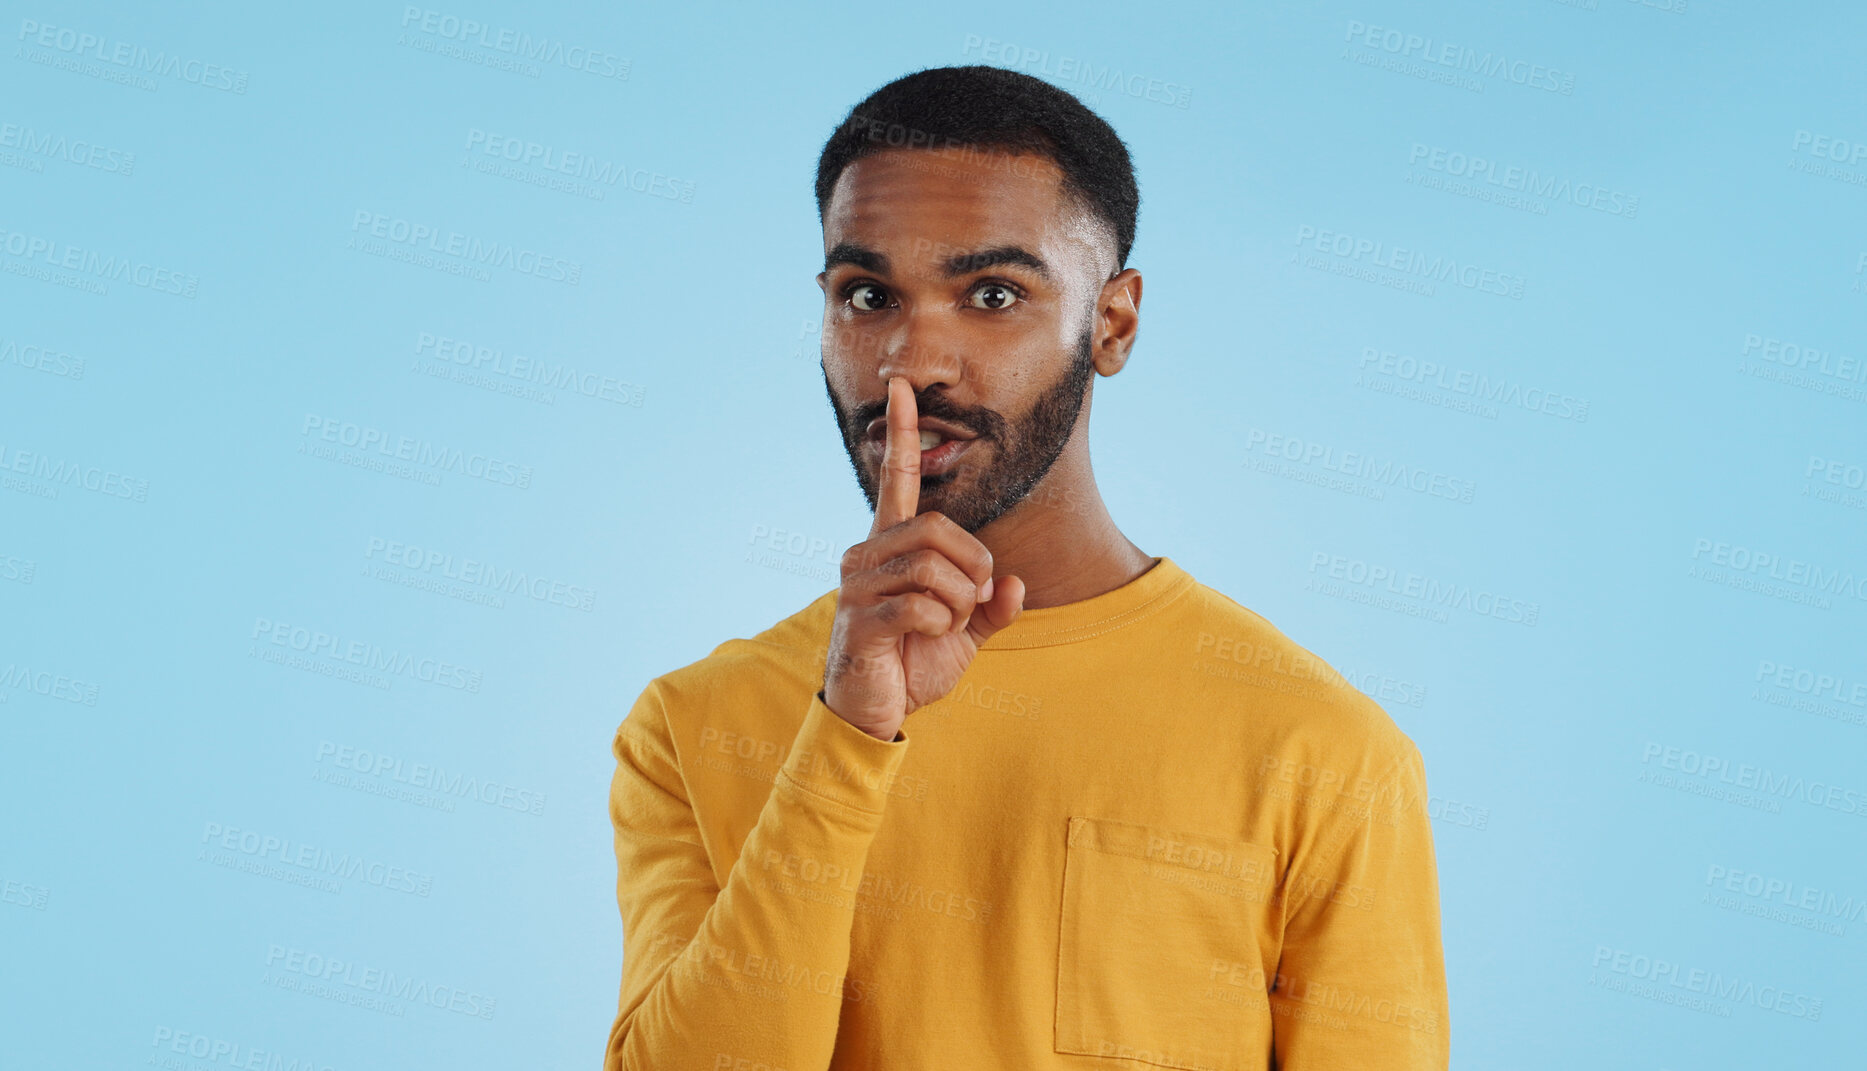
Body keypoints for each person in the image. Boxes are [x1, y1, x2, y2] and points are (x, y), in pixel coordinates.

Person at [603, 64, 1449, 1070]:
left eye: (992, 293)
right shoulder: (694, 726)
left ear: (1113, 323)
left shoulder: (1322, 751)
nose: (912, 362)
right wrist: (846, 734)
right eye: (866, 294)